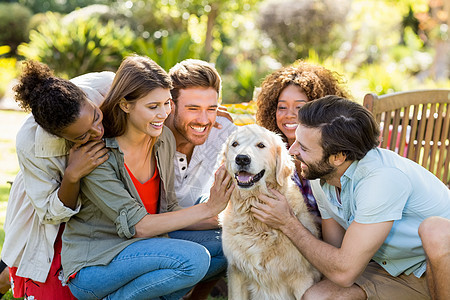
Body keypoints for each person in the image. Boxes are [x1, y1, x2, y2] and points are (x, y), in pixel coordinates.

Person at [61, 55, 235, 300]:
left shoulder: (162, 139)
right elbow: (138, 227)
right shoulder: (98, 155)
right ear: (125, 105)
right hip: (96, 264)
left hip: (144, 250)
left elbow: (169, 209)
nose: (163, 114)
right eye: (153, 107)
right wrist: (210, 207)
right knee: (194, 260)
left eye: (166, 104)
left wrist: (235, 219)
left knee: (229, 244)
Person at [251, 96, 450, 299]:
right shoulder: (321, 173)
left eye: (303, 147)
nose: (293, 151)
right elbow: (334, 253)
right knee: (318, 297)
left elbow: (344, 272)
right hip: (393, 269)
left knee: (436, 230)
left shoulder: (381, 179)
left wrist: (288, 223)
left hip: (437, 268)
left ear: (338, 157)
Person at [1, 60, 113, 299]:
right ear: (58, 136)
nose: (98, 131)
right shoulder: (30, 142)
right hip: (45, 201)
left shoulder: (104, 86)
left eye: (96, 116)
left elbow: (152, 91)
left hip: (94, 204)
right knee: (24, 264)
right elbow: (50, 212)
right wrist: (72, 175)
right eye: (83, 136)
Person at [165, 59, 236, 299]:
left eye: (212, 108)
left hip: (195, 220)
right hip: (151, 231)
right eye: (193, 108)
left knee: (235, 244)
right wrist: (213, 213)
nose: (204, 120)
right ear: (170, 105)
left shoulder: (222, 129)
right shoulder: (151, 136)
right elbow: (144, 221)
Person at [255, 61, 350, 221]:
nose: (289, 114)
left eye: (300, 108)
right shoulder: (274, 152)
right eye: (282, 107)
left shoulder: (333, 155)